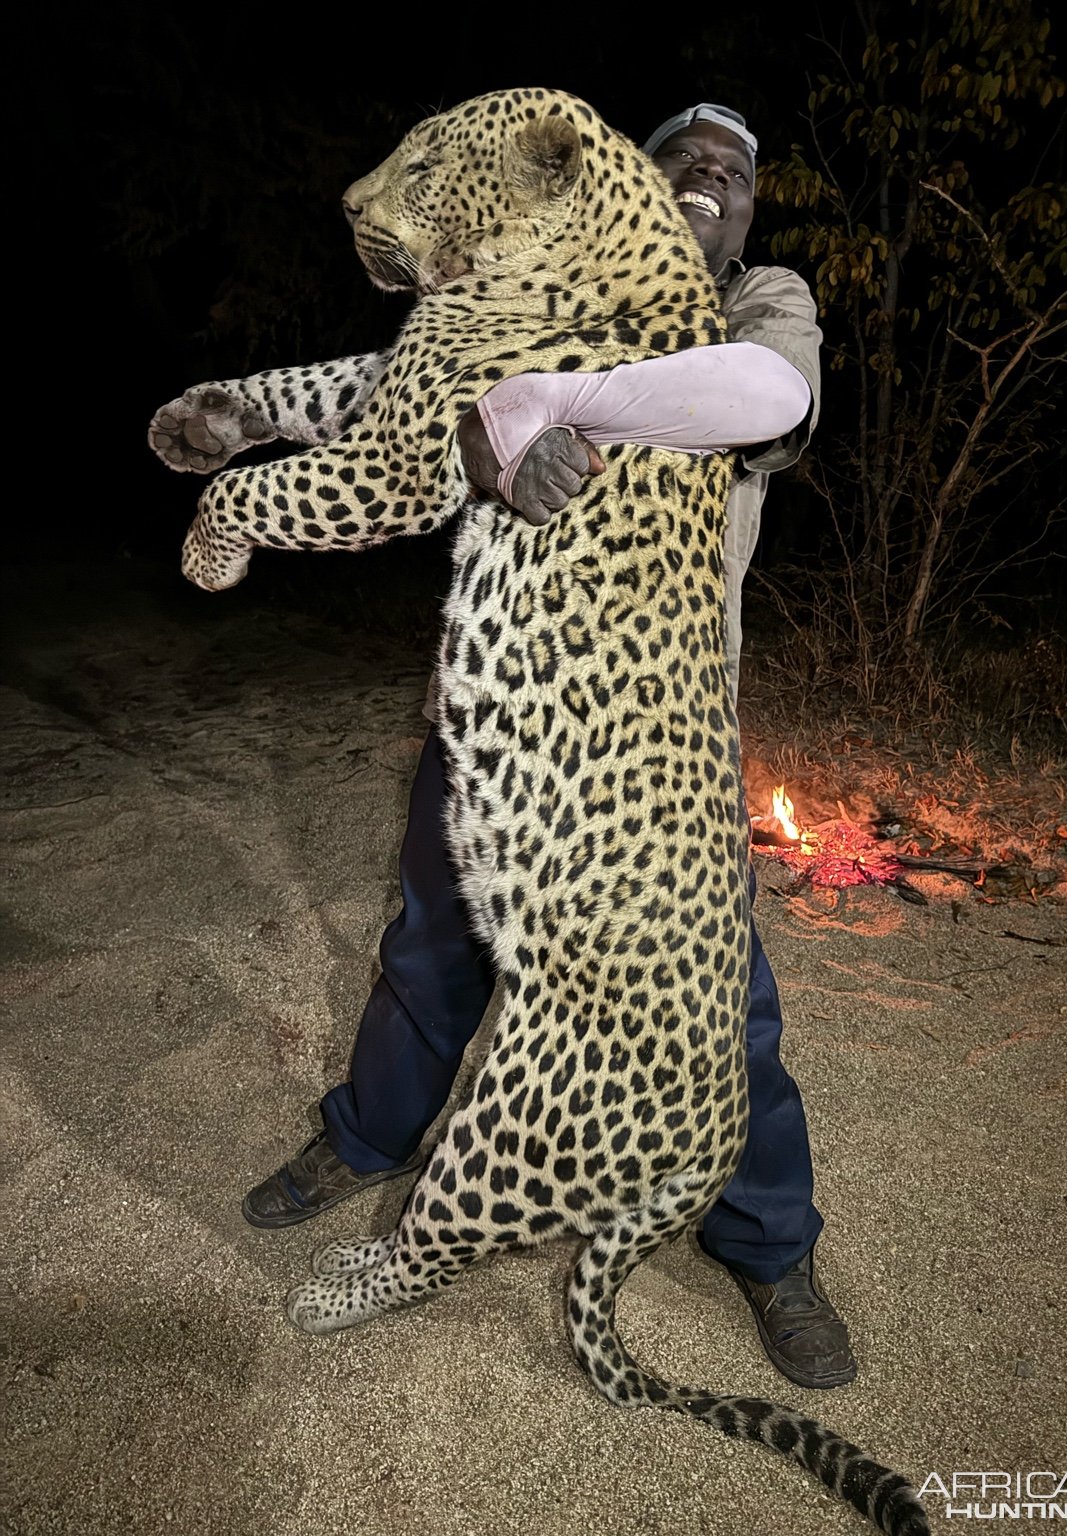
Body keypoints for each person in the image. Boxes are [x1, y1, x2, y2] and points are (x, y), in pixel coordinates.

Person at [171, 102, 857, 1390]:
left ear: (753, 212)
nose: (712, 180)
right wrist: (277, 415)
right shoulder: (524, 274)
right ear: (625, 184)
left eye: (739, 174)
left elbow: (773, 401)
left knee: (726, 1006)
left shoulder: (760, 297)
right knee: (430, 946)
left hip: (651, 737)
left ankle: (772, 1250)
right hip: (502, 707)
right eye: (685, 161)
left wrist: (553, 409)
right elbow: (401, 406)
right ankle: (365, 1140)